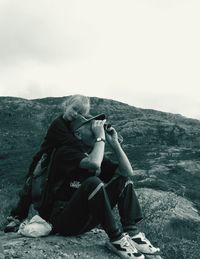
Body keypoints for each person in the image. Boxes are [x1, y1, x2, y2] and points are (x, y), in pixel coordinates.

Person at [40, 113, 160, 259]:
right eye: (90, 126)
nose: (95, 128)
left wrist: (115, 144)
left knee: (123, 180)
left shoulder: (93, 154)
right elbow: (94, 163)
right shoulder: (65, 152)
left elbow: (127, 171)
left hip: (85, 220)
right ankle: (116, 239)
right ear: (78, 134)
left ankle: (133, 233)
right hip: (63, 220)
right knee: (93, 183)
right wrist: (100, 137)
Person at [4, 94, 90, 232]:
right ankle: (16, 217)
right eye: (74, 109)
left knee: (51, 189)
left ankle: (47, 216)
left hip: (57, 164)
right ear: (66, 105)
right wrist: (84, 150)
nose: (75, 114)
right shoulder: (58, 124)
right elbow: (70, 142)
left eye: (80, 113)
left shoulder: (72, 126)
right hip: (44, 160)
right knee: (30, 188)